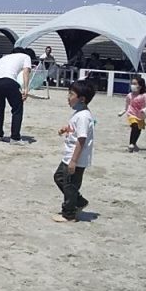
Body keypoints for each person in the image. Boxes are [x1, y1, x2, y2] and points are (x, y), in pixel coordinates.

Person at [53, 80, 96, 222]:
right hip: (69, 155)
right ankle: (79, 201)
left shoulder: (83, 116)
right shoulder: (79, 113)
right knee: (59, 177)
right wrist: (67, 129)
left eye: (71, 94)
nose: (68, 97)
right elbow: (76, 130)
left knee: (70, 185)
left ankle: (69, 213)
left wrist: (74, 161)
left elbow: (82, 139)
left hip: (76, 158)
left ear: (82, 99)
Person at [0, 47, 33, 144]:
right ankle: (15, 137)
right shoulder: (25, 56)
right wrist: (26, 89)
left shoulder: (4, 57)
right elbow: (26, 72)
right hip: (9, 80)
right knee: (17, 108)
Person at [118, 76, 146, 152]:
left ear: (140, 85)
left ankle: (134, 143)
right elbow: (126, 107)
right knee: (134, 126)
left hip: (141, 116)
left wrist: (144, 110)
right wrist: (122, 112)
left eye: (135, 83)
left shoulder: (144, 96)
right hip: (131, 114)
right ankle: (131, 144)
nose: (132, 85)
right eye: (132, 83)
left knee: (138, 130)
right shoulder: (129, 95)